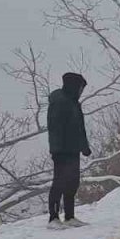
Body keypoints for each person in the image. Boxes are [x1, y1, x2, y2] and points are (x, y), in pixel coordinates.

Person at [47, 72, 92, 229]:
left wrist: (84, 146)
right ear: (73, 86)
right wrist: (57, 149)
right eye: (80, 88)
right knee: (59, 182)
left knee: (72, 182)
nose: (81, 92)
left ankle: (69, 216)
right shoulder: (59, 102)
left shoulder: (73, 103)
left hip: (73, 149)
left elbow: (79, 129)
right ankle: (53, 218)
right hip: (61, 150)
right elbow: (55, 128)